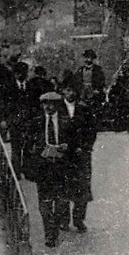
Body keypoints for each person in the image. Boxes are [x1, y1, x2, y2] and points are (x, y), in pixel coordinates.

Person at [26, 91, 72, 248]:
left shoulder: (66, 122)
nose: (48, 107)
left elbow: (75, 143)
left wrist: (67, 147)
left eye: (51, 104)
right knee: (44, 205)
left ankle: (54, 231)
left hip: (61, 168)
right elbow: (28, 146)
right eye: (45, 104)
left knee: (60, 204)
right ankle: (49, 234)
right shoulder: (36, 122)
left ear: (58, 105)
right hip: (43, 169)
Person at [59, 83, 98, 233]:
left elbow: (92, 130)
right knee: (63, 186)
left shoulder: (84, 109)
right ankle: (63, 220)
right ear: (63, 91)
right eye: (68, 89)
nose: (70, 93)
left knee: (82, 186)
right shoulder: (58, 109)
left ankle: (79, 219)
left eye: (73, 90)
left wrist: (86, 147)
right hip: (64, 155)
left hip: (81, 154)